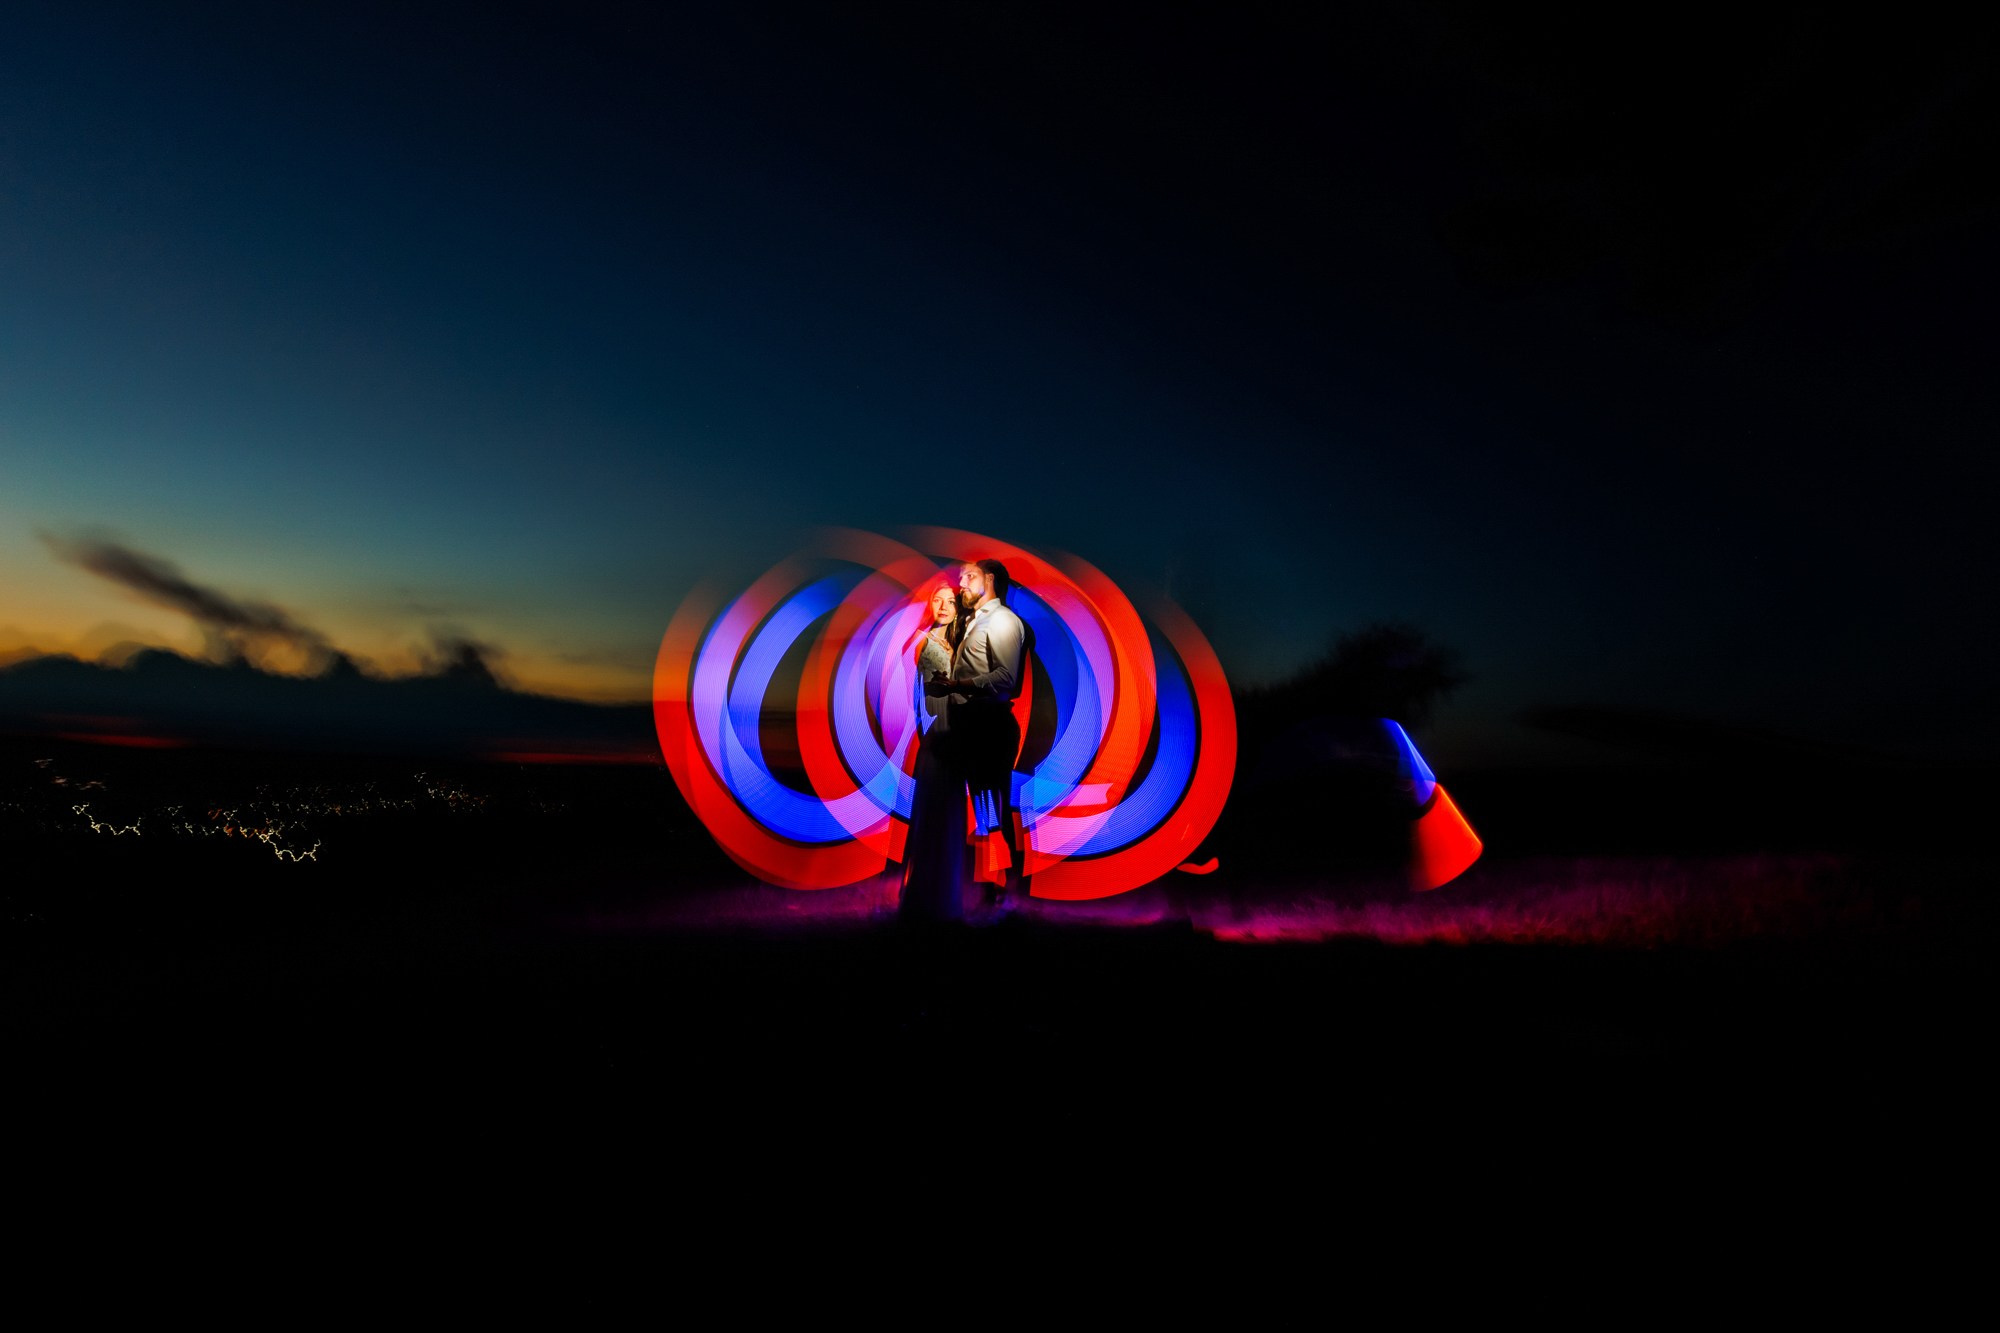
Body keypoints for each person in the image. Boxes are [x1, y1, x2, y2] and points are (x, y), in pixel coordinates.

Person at [926, 558, 1031, 915]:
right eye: (960, 578)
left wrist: (957, 684)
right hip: (970, 727)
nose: (962, 584)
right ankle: (986, 890)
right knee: (982, 811)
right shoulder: (974, 621)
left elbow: (1006, 679)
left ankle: (1001, 894)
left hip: (989, 727)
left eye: (968, 576)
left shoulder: (1003, 621)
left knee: (991, 811)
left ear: (990, 580)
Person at [899, 584, 970, 923]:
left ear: (958, 607)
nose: (943, 606)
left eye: (950, 601)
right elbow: (910, 682)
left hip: (955, 731)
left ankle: (945, 896)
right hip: (933, 730)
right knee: (930, 805)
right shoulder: (920, 637)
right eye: (937, 600)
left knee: (948, 807)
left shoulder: (964, 640)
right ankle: (923, 895)